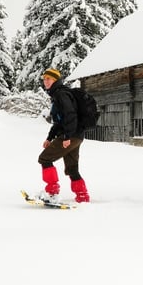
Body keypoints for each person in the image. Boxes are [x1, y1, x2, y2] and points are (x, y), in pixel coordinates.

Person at [37, 68, 90, 203]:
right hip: (76, 136)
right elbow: (58, 122)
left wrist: (67, 136)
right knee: (72, 168)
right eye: (44, 79)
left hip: (71, 136)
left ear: (55, 80)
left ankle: (52, 192)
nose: (45, 81)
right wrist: (49, 138)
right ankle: (82, 195)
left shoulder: (61, 94)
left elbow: (70, 115)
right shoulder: (58, 95)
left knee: (44, 159)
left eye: (48, 79)